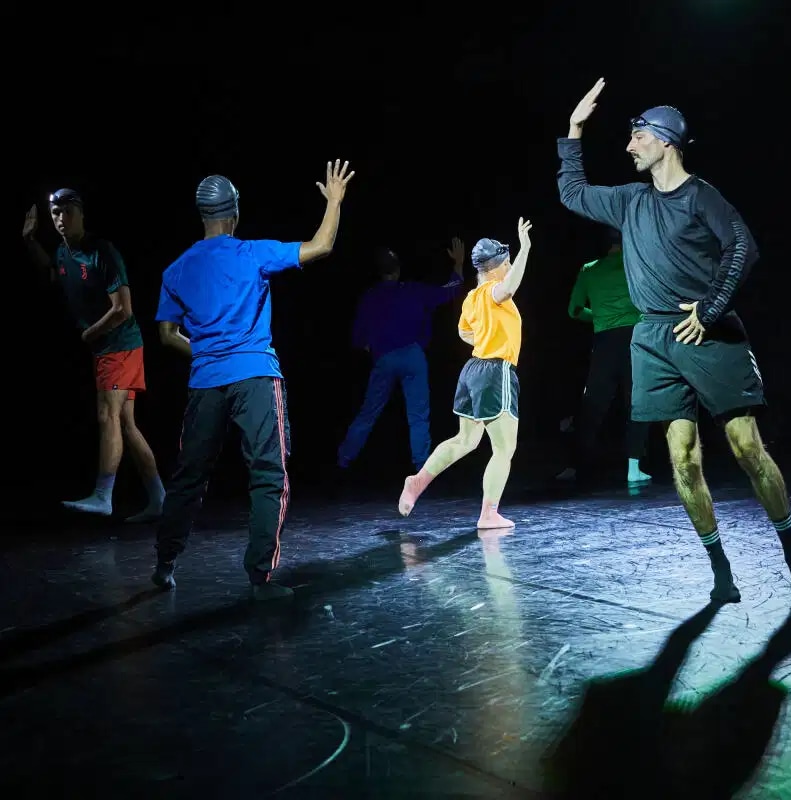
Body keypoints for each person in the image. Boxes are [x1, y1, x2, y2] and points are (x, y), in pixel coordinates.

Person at [556, 78, 791, 605]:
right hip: (652, 339)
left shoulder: (702, 197)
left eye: (637, 137)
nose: (629, 145)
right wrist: (573, 130)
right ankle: (720, 569)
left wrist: (711, 308)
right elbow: (572, 194)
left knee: (746, 447)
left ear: (664, 141)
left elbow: (743, 247)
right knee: (681, 458)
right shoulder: (631, 200)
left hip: (708, 332)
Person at [151, 160, 356, 599]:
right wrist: (335, 202)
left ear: (202, 214)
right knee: (268, 474)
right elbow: (320, 246)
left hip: (206, 382)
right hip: (256, 378)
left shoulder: (176, 269)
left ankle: (164, 562)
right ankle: (260, 577)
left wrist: (207, 352)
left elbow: (166, 335)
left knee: (189, 476)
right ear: (235, 211)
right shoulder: (251, 253)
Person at [22, 189, 165, 522]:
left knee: (107, 415)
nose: (61, 218)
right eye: (55, 213)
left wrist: (90, 333)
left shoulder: (102, 252)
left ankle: (103, 496)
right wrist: (29, 240)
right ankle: (160, 497)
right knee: (127, 425)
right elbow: (53, 274)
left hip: (120, 345)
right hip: (107, 350)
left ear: (82, 214)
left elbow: (123, 310)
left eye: (67, 211)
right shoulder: (62, 252)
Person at [396, 219, 532, 529]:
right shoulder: (495, 293)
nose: (510, 267)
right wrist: (525, 248)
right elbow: (509, 287)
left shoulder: (472, 298)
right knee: (504, 448)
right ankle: (488, 513)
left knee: (465, 440)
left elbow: (462, 331)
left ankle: (418, 481)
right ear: (495, 268)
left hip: (472, 370)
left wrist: (485, 338)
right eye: (507, 263)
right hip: (496, 370)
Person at [336, 239, 466, 472]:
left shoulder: (370, 296)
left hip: (384, 358)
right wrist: (458, 264)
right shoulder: (413, 290)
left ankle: (343, 460)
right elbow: (451, 290)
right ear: (397, 269)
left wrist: (372, 346)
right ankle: (421, 465)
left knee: (368, 412)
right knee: (418, 414)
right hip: (412, 356)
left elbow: (358, 338)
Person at [557, 226, 652, 485]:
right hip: (635, 339)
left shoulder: (589, 269)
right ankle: (634, 468)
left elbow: (574, 310)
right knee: (636, 402)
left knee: (593, 405)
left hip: (604, 341)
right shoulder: (637, 266)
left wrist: (599, 316)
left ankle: (574, 466)